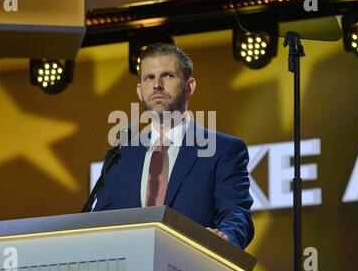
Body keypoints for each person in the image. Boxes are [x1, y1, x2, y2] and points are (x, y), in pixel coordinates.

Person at [83, 43, 254, 249]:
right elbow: (100, 223)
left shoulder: (223, 150)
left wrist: (226, 237)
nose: (157, 85)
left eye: (168, 75)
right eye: (149, 77)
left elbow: (236, 212)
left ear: (189, 86)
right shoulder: (120, 157)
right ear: (140, 91)